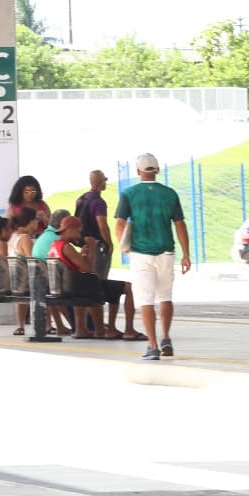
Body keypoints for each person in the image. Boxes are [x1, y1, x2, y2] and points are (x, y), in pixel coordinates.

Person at [115, 153, 192, 361]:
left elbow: (120, 223)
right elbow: (180, 224)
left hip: (141, 253)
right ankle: (166, 337)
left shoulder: (129, 194)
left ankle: (153, 346)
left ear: (138, 171)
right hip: (166, 251)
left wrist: (124, 246)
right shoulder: (170, 194)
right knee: (165, 297)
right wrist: (186, 255)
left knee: (146, 301)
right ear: (157, 170)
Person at [74, 170, 143, 341]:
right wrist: (109, 243)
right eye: (104, 180)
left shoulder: (81, 199)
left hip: (84, 246)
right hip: (97, 248)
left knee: (89, 283)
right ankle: (103, 327)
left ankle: (88, 325)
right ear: (98, 183)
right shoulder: (98, 202)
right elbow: (102, 225)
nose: (106, 182)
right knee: (99, 284)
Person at [48, 216, 106, 340]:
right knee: (94, 286)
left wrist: (82, 255)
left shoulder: (54, 245)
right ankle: (101, 329)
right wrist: (92, 249)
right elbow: (88, 269)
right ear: (70, 229)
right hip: (72, 287)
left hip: (62, 285)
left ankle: (81, 328)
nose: (79, 235)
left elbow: (71, 265)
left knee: (84, 286)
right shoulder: (67, 247)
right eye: (78, 231)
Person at [31, 209, 74, 336]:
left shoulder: (44, 235)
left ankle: (61, 326)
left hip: (39, 279)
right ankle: (77, 324)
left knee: (54, 288)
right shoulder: (58, 239)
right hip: (49, 281)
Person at [7, 206, 39, 335]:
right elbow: (31, 260)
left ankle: (20, 325)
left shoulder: (14, 235)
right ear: (30, 221)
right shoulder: (24, 238)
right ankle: (49, 324)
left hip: (15, 278)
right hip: (24, 279)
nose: (38, 223)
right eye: (36, 220)